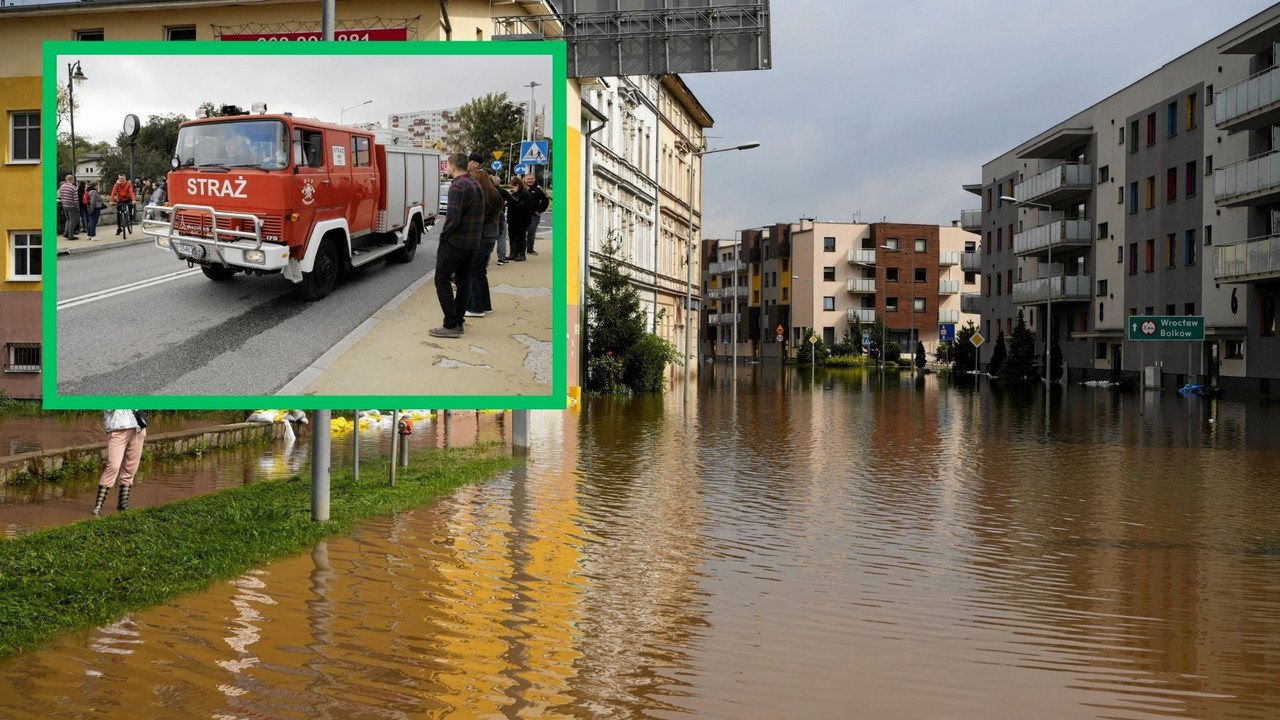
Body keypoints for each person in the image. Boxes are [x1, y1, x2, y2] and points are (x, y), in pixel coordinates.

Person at [430, 153, 484, 338]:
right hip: (471, 243)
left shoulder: (457, 186)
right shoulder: (475, 183)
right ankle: (459, 322)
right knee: (463, 282)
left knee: (442, 280)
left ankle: (450, 324)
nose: (446, 169)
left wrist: (444, 237)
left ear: (452, 166)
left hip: (455, 243)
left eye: (447, 166)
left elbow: (452, 219)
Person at [92, 410, 148, 516]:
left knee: (130, 468)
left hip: (137, 428)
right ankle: (98, 505)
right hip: (117, 429)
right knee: (113, 466)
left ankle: (123, 503)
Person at [465, 168, 503, 318]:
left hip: (479, 238)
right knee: (480, 272)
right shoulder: (495, 196)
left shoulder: (480, 198)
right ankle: (485, 305)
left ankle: (475, 308)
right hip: (490, 238)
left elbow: (476, 221)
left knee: (472, 272)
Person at [506, 175, 532, 262]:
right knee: (512, 235)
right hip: (512, 219)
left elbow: (523, 205)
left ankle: (521, 254)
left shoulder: (525, 194)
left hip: (522, 219)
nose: (512, 188)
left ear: (517, 185)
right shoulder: (514, 193)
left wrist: (512, 201)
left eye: (513, 186)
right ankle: (513, 253)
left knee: (521, 236)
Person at [524, 173, 549, 255]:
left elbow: (546, 201)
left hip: (533, 215)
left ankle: (530, 249)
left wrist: (539, 210)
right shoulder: (521, 188)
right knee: (521, 233)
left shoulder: (539, 189)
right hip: (522, 214)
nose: (530, 180)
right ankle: (520, 250)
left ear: (534, 179)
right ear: (524, 179)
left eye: (532, 179)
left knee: (531, 231)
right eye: (528, 179)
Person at [58, 174, 80, 240]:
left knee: (68, 220)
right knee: (73, 221)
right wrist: (78, 207)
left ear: (66, 179)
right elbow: (76, 199)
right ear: (72, 180)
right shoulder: (73, 187)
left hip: (65, 205)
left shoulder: (62, 187)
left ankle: (65, 233)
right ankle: (70, 235)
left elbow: (61, 196)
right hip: (72, 206)